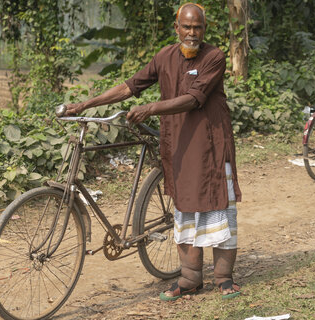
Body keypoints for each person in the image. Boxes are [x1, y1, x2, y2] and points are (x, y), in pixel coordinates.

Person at [64, 3, 242, 300]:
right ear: (177, 28)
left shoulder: (215, 57)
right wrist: (85, 105)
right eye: (186, 27)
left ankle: (223, 277)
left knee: (218, 206)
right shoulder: (164, 56)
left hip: (210, 143)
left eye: (197, 27)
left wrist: (150, 108)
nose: (192, 33)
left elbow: (194, 98)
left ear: (204, 29)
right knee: (184, 207)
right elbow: (130, 87)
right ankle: (189, 278)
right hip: (179, 143)